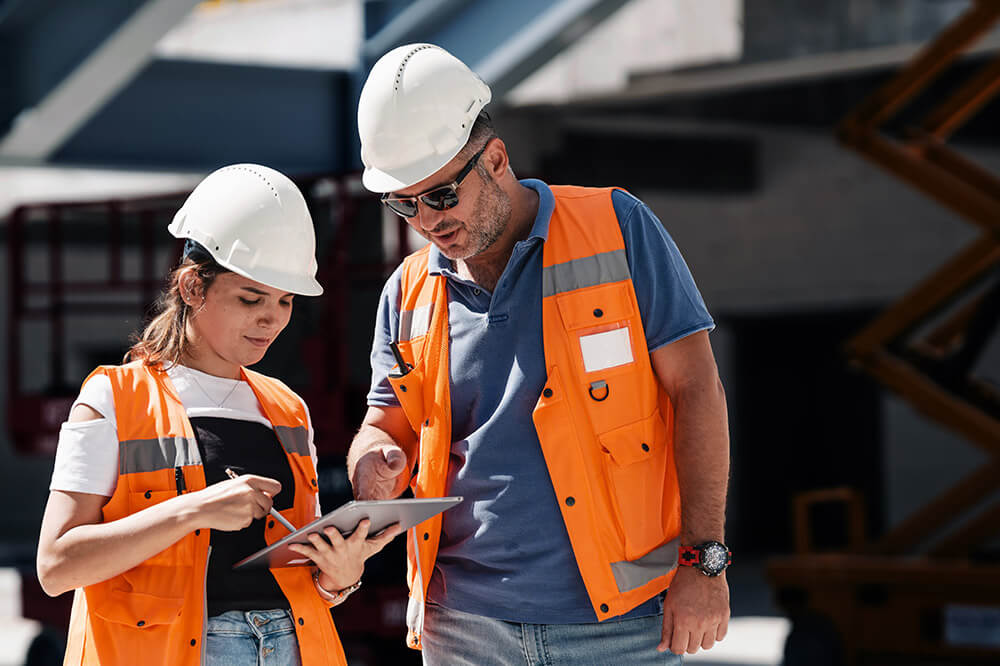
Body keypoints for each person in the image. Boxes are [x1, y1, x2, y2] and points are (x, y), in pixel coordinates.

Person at [347, 43, 732, 665]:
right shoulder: (408, 292)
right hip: (463, 626)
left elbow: (698, 393)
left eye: (441, 195)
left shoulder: (618, 227)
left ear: (495, 158)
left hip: (624, 625)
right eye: (404, 203)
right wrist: (373, 461)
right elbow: (383, 423)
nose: (427, 220)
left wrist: (704, 563)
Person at [36, 164, 400, 666]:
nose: (271, 318)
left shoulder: (288, 409)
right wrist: (195, 510)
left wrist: (342, 574)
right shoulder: (113, 397)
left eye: (286, 301)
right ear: (191, 287)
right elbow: (56, 566)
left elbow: (309, 577)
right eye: (250, 298)